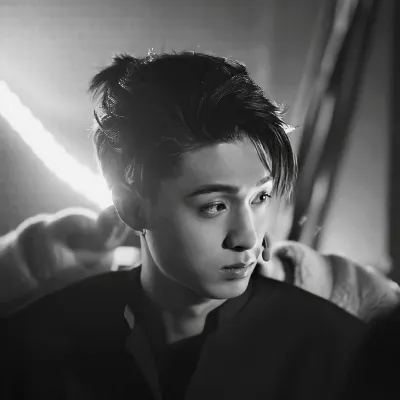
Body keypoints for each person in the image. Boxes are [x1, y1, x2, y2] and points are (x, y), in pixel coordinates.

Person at [1, 51, 365, 400]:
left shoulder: (335, 353)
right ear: (132, 207)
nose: (247, 237)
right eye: (214, 206)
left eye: (260, 198)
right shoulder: (33, 350)